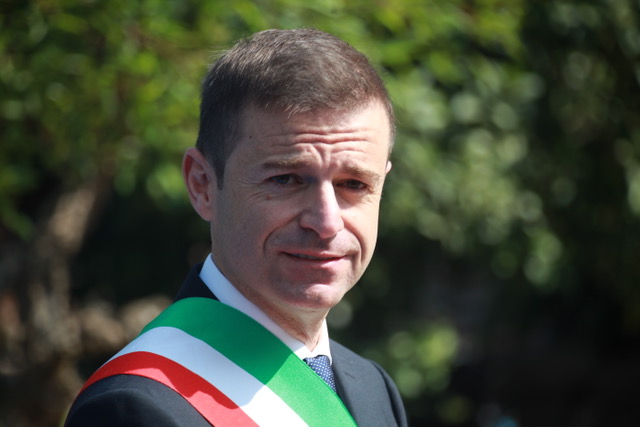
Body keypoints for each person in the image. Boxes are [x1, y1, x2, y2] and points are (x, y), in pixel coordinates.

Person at [65, 28, 407, 427]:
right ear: (203, 185)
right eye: (286, 179)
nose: (326, 222)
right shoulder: (131, 407)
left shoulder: (373, 389)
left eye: (354, 184)